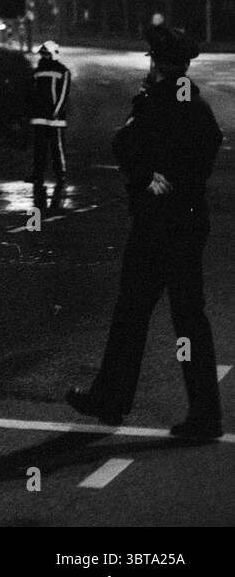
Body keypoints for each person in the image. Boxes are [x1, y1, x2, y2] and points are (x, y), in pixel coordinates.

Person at [66, 27, 224, 439]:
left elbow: (124, 143)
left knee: (132, 313)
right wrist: (184, 183)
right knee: (190, 317)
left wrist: (148, 178)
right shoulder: (194, 102)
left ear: (157, 62)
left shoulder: (154, 100)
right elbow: (210, 142)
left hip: (156, 225)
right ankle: (205, 413)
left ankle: (111, 397)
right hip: (189, 221)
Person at [26, 40, 71, 187]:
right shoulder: (37, 71)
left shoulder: (63, 71)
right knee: (39, 148)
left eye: (46, 54)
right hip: (40, 116)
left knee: (56, 148)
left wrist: (57, 111)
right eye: (42, 54)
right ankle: (37, 174)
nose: (43, 57)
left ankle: (60, 175)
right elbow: (32, 93)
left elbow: (63, 94)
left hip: (55, 118)